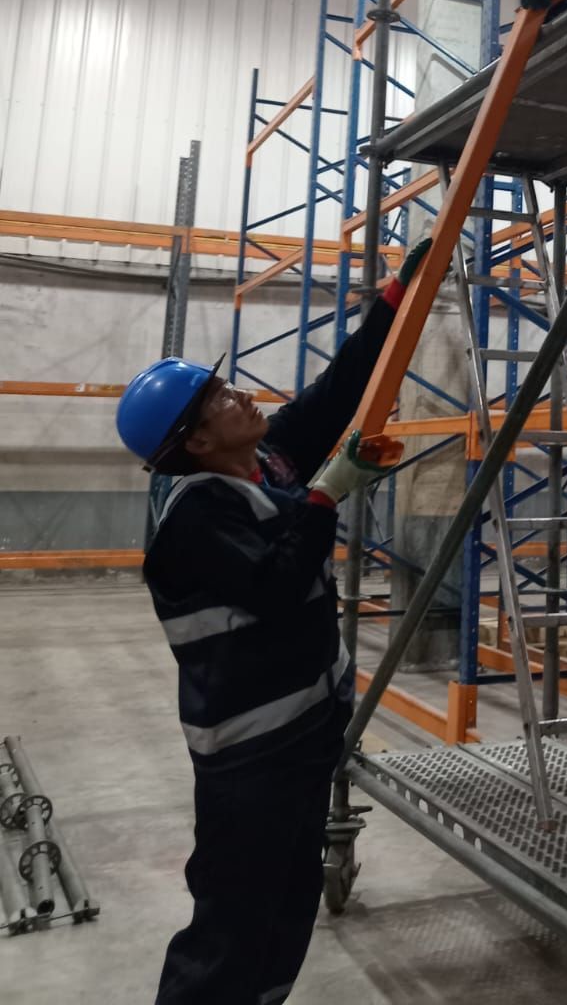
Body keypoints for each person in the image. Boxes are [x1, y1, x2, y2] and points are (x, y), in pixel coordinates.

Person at [117, 235, 430, 1005]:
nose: (242, 397)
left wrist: (395, 298)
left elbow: (337, 391)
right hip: (248, 759)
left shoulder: (264, 464)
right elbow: (278, 580)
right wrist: (331, 493)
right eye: (221, 401)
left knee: (287, 910)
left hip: (303, 736)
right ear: (193, 440)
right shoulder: (192, 516)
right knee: (232, 923)